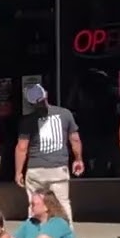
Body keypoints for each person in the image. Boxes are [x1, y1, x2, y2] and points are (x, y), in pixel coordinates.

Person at [16, 84, 83, 226]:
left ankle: (33, 234)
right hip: (58, 167)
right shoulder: (65, 114)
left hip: (36, 168)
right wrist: (78, 159)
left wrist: (18, 172)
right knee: (62, 202)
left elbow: (22, 148)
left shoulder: (27, 121)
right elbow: (75, 139)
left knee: (34, 203)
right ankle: (66, 234)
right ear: (45, 95)